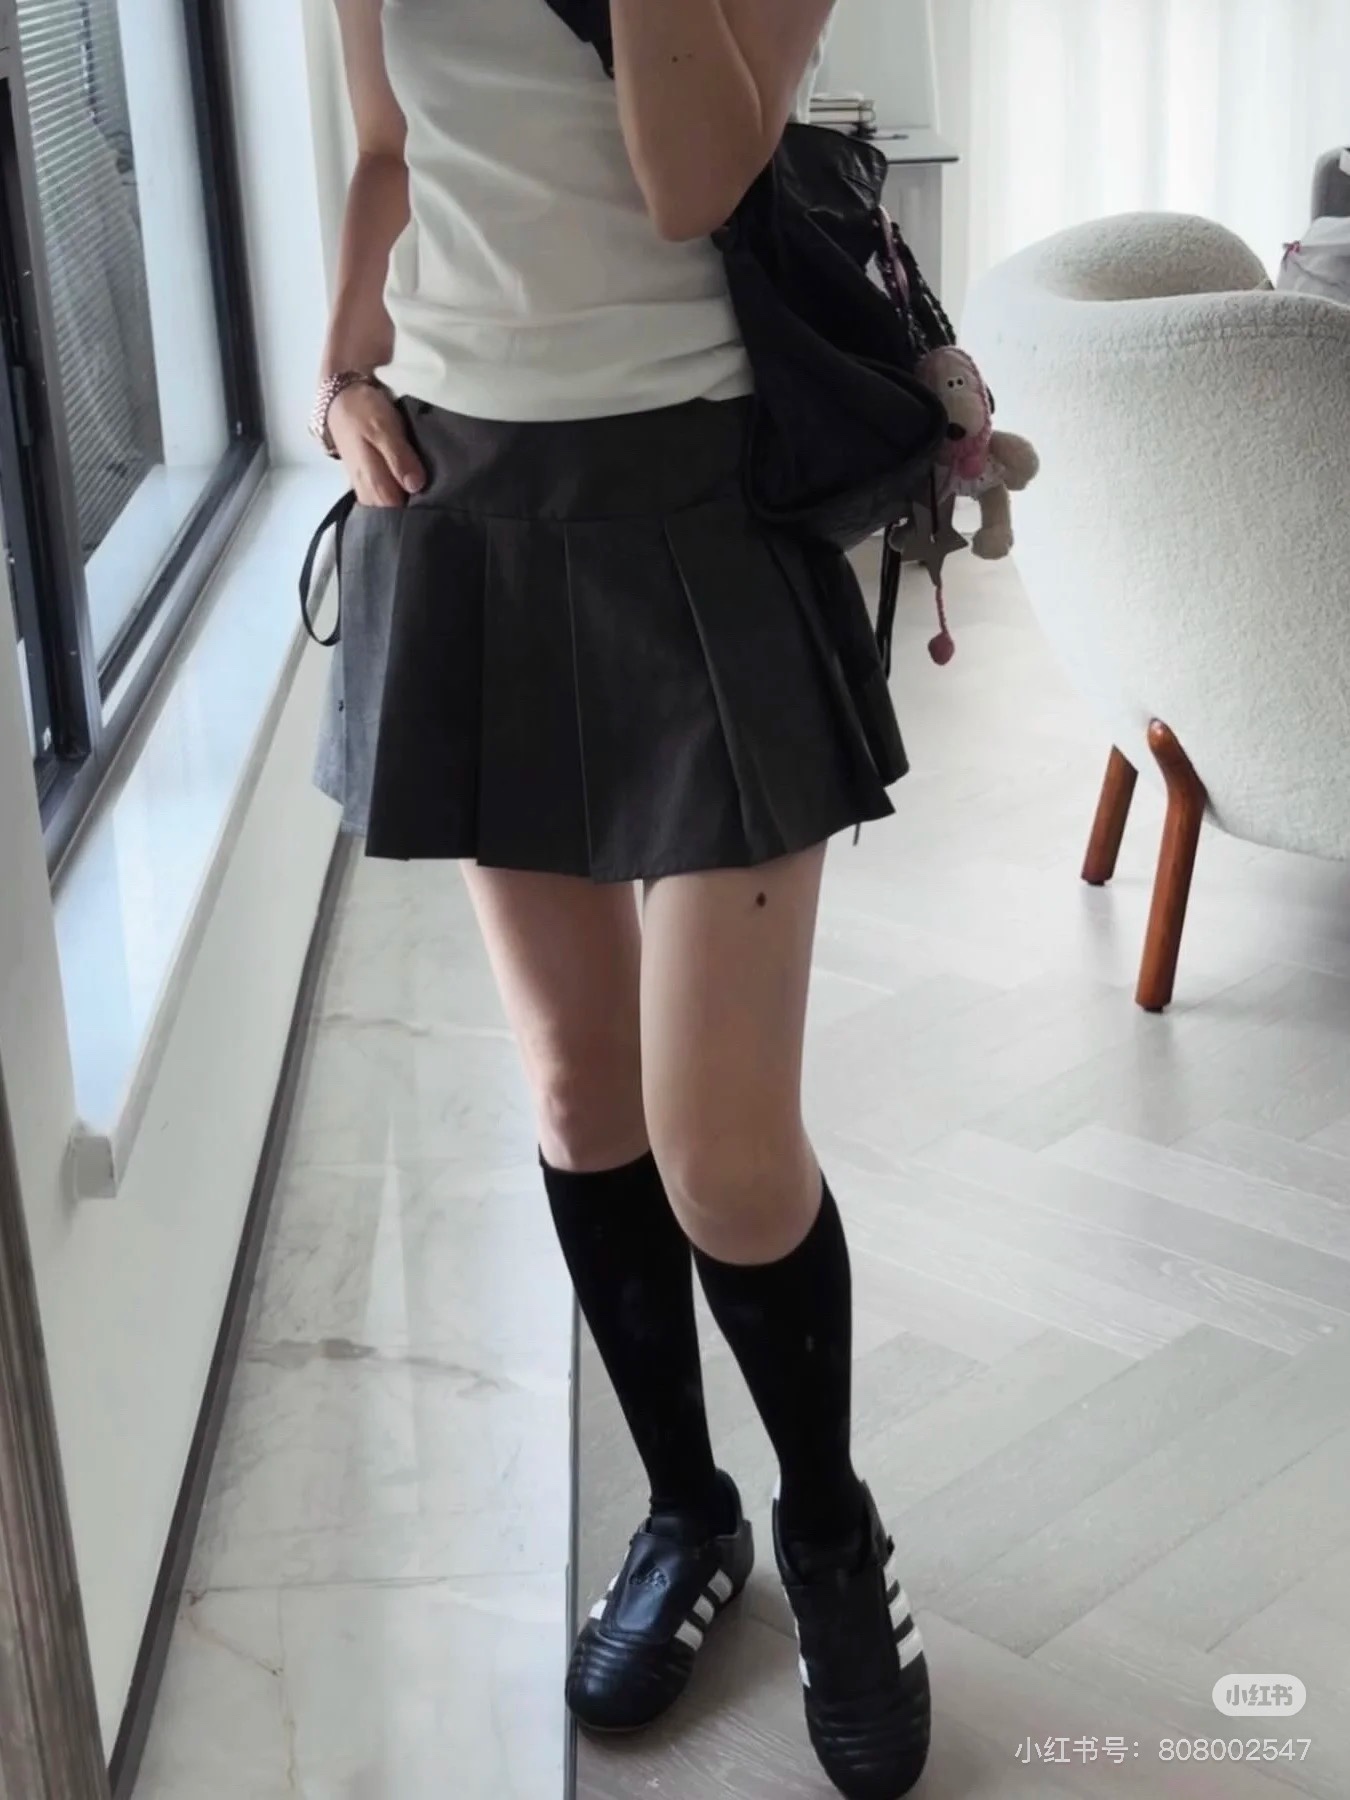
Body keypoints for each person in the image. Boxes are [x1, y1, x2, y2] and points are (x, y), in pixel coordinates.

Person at [313, 4, 929, 1796]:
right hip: (467, 506)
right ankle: (685, 1512)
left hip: (701, 511)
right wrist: (338, 369)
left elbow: (688, 185)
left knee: (722, 1150)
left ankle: (828, 1533)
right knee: (583, 1100)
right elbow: (385, 150)